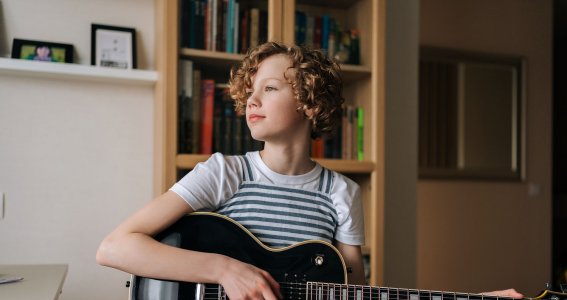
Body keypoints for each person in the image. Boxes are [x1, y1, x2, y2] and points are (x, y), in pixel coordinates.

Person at [96, 41, 523, 300]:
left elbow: (354, 293)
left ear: (310, 104)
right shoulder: (225, 173)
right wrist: (225, 270)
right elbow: (115, 248)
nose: (252, 101)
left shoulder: (340, 193)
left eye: (270, 88)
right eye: (250, 91)